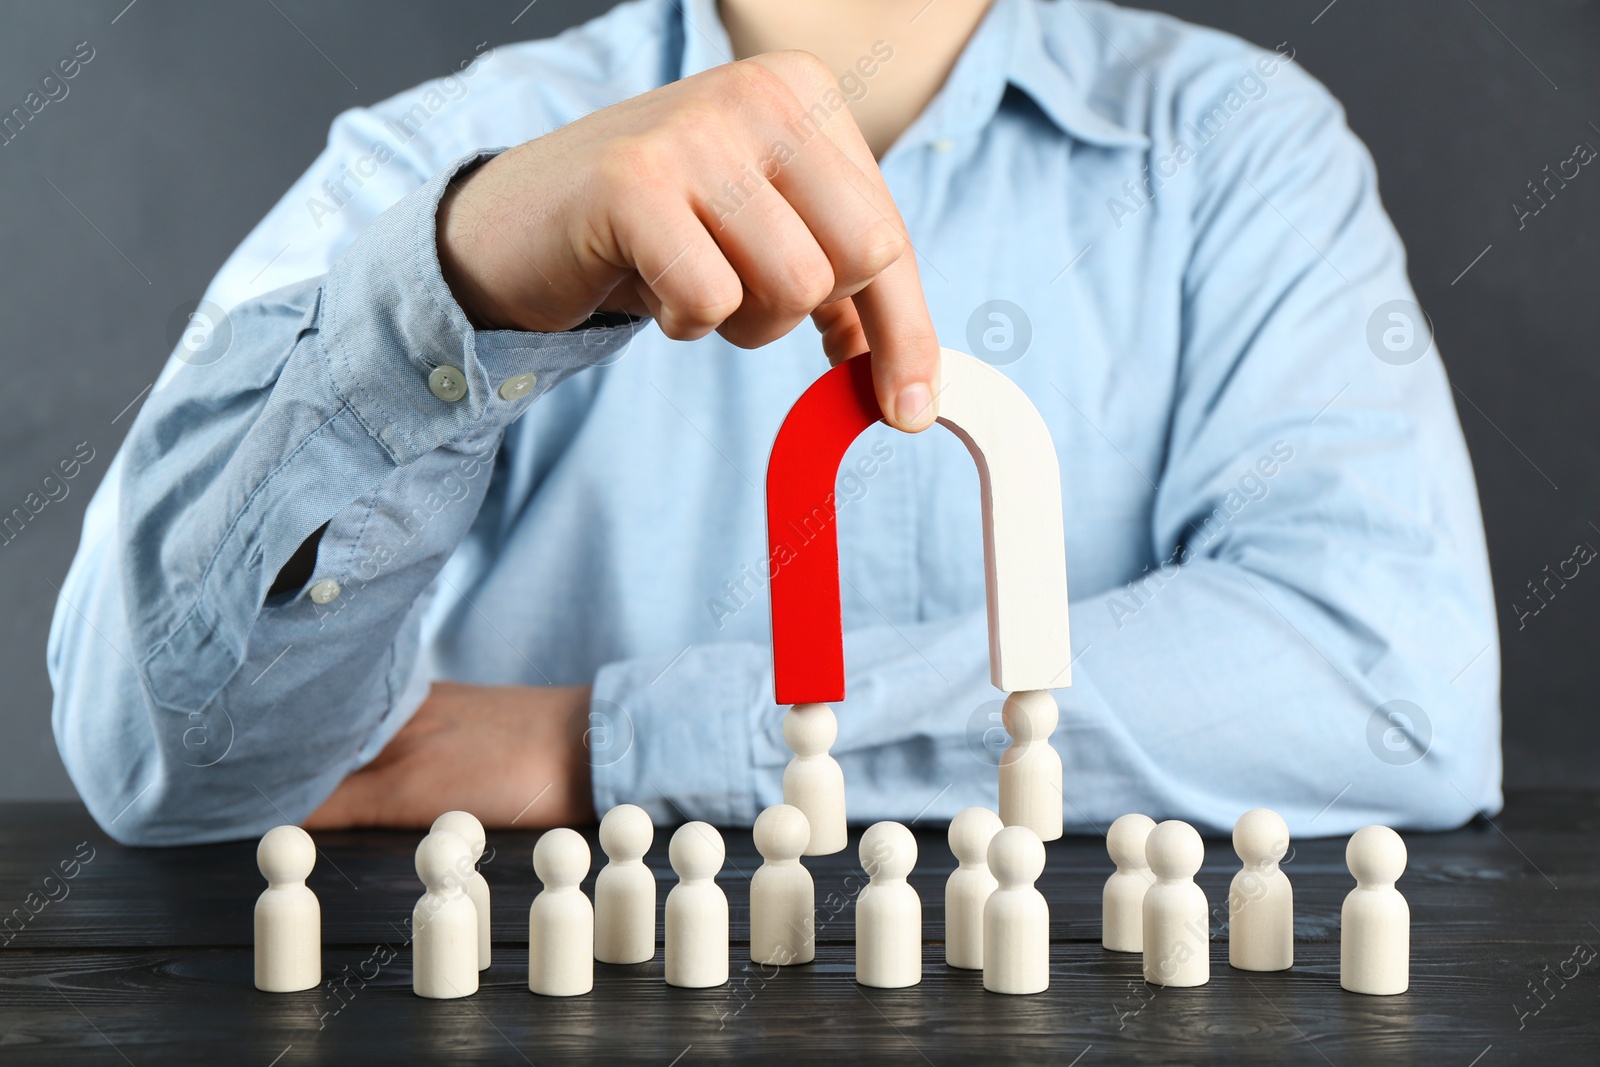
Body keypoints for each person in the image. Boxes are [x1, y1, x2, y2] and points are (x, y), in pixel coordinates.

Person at [48, 0, 1499, 846]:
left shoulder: (1239, 148)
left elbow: (1388, 684)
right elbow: (149, 761)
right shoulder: (449, 168)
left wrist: (604, 741)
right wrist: (460, 286)